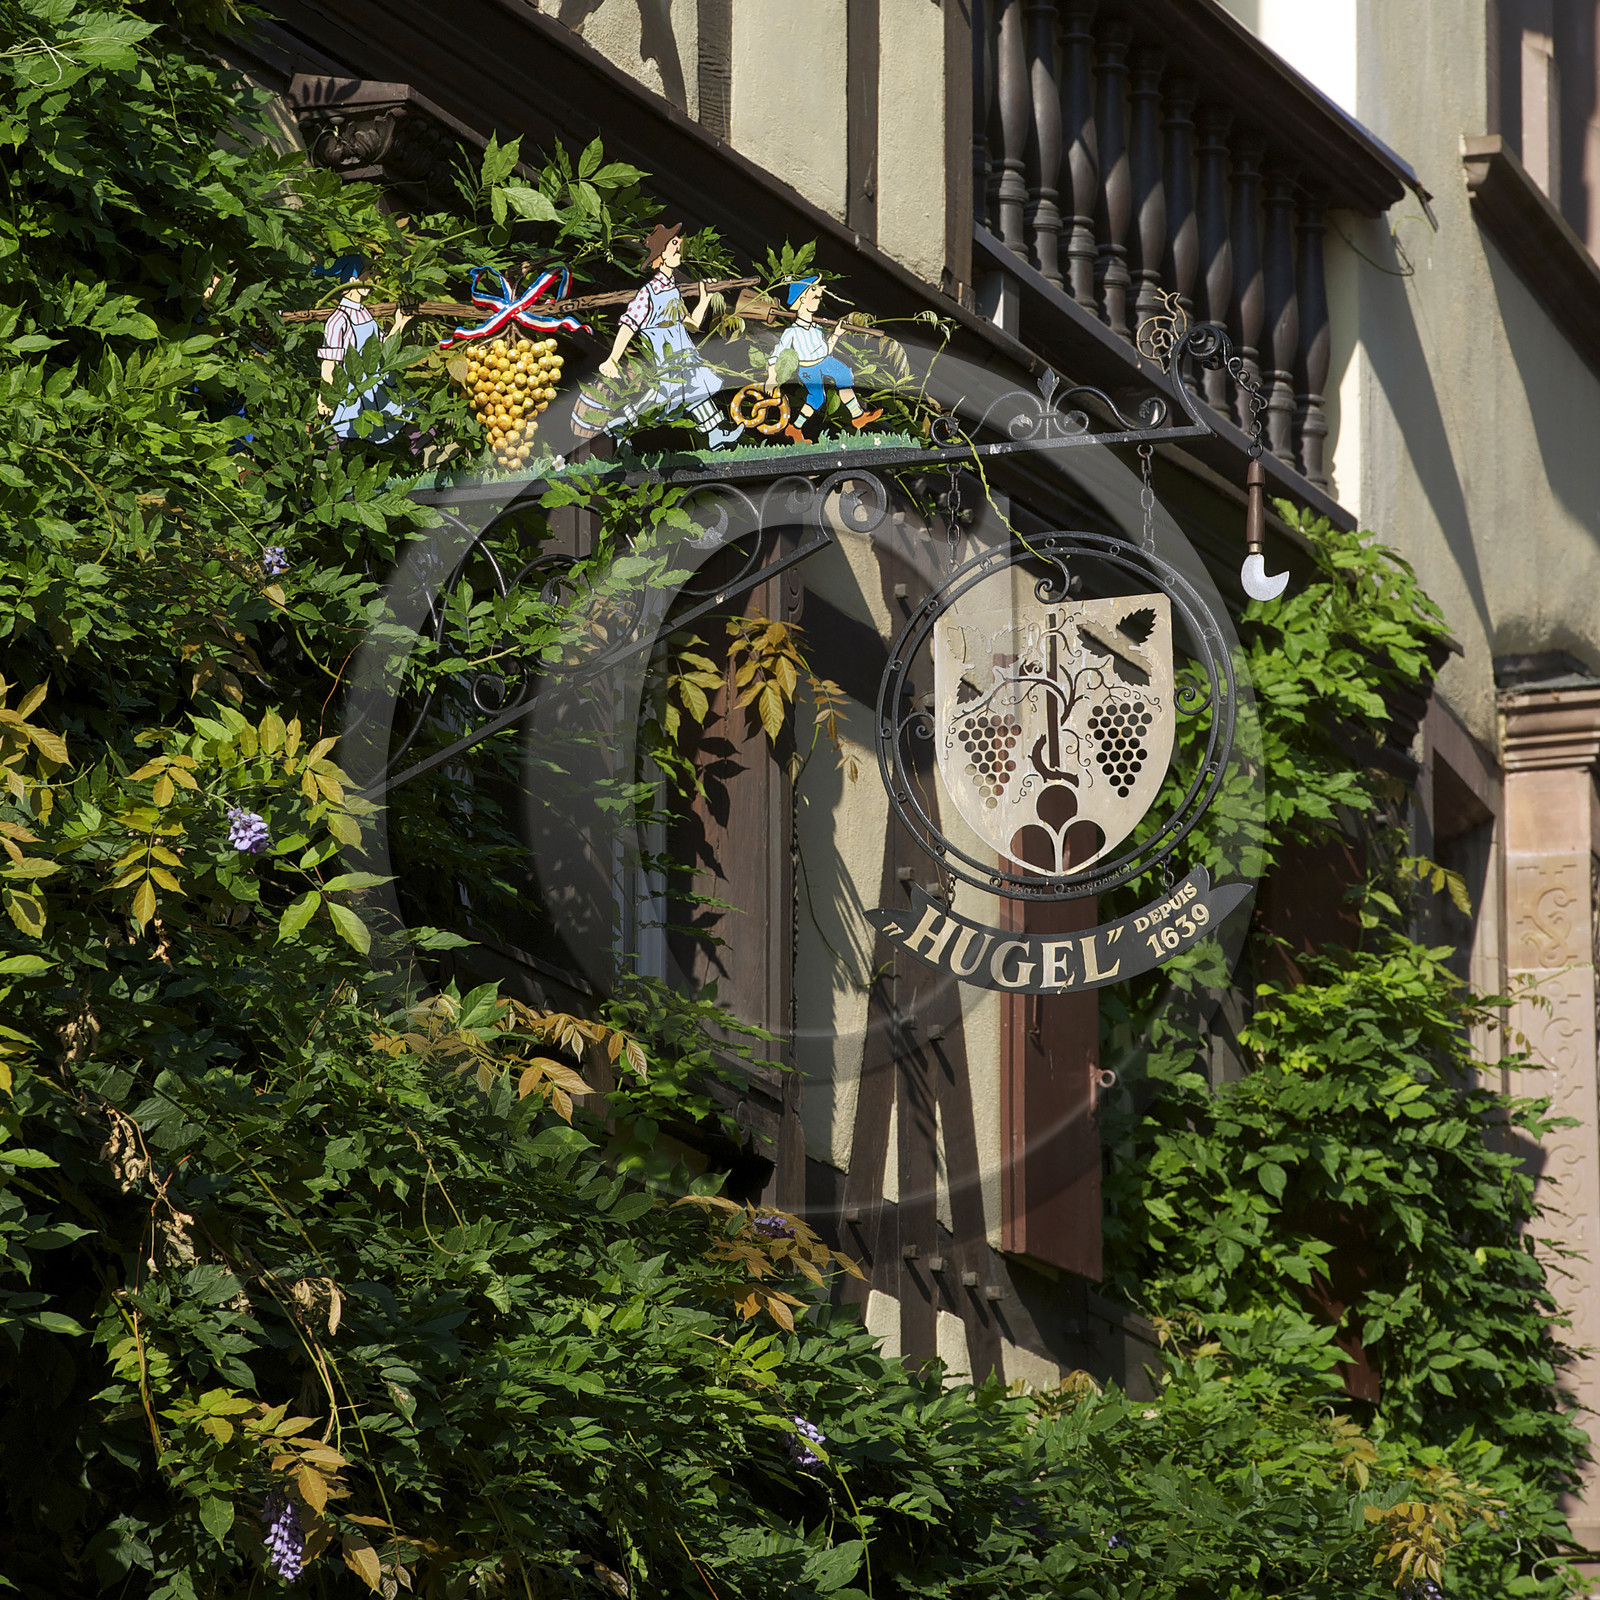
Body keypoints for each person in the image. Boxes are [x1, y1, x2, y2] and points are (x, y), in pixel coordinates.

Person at [598, 222, 743, 448]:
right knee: (661, 400)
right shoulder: (648, 293)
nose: (680, 245)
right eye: (674, 243)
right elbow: (628, 324)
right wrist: (612, 359)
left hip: (684, 357)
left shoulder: (672, 289)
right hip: (668, 361)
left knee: (695, 390)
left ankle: (716, 433)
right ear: (660, 255)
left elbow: (692, 323)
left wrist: (704, 298)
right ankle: (621, 424)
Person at [764, 276, 883, 443]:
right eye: (814, 292)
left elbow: (825, 350)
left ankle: (857, 415)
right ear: (802, 299)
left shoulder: (817, 328)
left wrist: (836, 335)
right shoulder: (792, 332)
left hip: (824, 361)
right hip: (808, 368)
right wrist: (771, 377)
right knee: (817, 398)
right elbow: (777, 353)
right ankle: (795, 428)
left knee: (843, 374)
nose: (819, 295)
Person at [315, 256, 413, 445]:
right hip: (351, 386)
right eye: (367, 275)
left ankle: (426, 453)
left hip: (374, 381)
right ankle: (324, 465)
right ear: (352, 280)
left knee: (405, 412)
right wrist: (325, 396)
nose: (372, 279)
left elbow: (383, 347)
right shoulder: (338, 320)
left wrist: (400, 322)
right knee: (341, 427)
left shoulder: (364, 312)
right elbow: (330, 362)